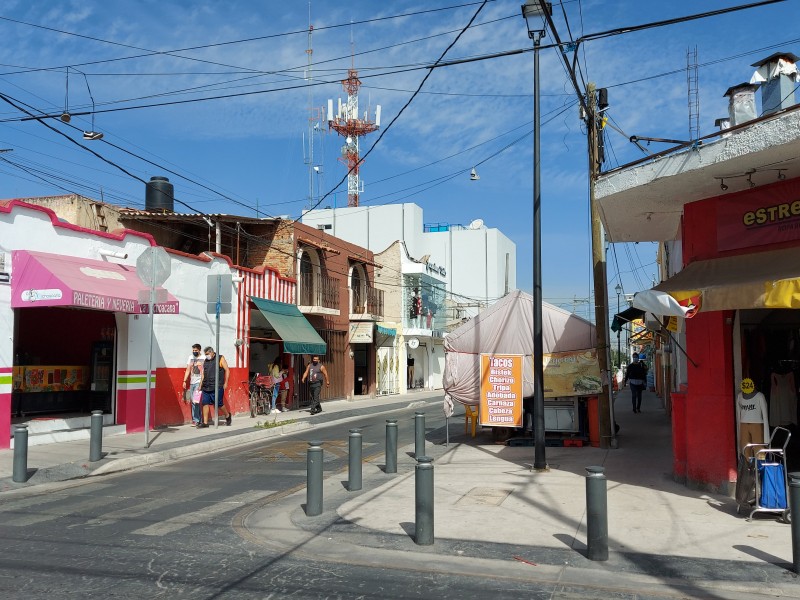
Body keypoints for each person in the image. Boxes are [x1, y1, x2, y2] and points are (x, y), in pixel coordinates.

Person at [197, 346, 232, 428]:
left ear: (212, 352)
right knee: (205, 403)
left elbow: (227, 370)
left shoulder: (220, 358)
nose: (206, 356)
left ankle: (227, 415)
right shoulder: (205, 361)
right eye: (205, 354)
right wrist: (200, 385)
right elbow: (203, 374)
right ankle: (205, 423)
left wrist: (226, 382)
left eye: (207, 354)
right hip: (206, 386)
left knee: (219, 404)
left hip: (217, 386)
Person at [182, 343, 205, 427]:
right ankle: (198, 419)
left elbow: (204, 371)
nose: (194, 352)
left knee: (196, 401)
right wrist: (184, 381)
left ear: (199, 350)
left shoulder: (203, 358)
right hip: (192, 382)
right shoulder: (191, 357)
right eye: (193, 350)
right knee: (193, 401)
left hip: (199, 382)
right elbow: (188, 369)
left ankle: (196, 420)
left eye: (196, 350)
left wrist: (202, 383)